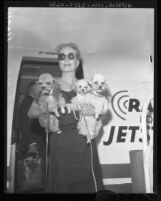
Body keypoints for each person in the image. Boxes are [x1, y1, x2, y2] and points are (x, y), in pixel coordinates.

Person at [28, 43, 105, 193]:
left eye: (71, 56)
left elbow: (103, 111)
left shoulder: (87, 85)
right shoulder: (51, 85)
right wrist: (48, 105)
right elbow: (31, 112)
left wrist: (94, 111)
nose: (66, 59)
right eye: (62, 56)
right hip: (61, 145)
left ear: (77, 62)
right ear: (59, 62)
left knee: (89, 187)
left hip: (85, 144)